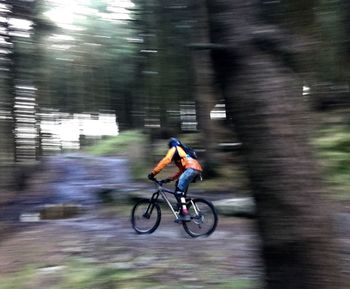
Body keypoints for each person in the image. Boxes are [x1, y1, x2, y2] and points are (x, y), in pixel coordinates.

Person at [148, 137, 203, 222]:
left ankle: (184, 214)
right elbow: (181, 171)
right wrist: (169, 179)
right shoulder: (183, 154)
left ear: (170, 145)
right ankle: (183, 209)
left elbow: (166, 160)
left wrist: (153, 173)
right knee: (179, 187)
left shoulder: (174, 148)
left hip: (191, 169)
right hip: (196, 169)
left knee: (178, 192)